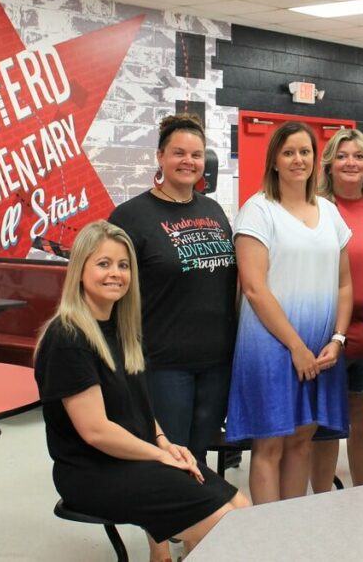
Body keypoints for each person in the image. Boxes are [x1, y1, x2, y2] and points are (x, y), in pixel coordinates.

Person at [34, 221, 248, 562]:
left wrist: (165, 442)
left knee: (241, 507)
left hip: (132, 458)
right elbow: (96, 431)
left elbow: (140, 408)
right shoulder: (68, 338)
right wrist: (159, 456)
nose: (115, 273)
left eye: (123, 265)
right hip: (92, 472)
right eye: (103, 264)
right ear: (80, 269)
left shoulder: (120, 329)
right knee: (225, 524)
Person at [228, 121, 352, 503]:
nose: (298, 160)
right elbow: (253, 287)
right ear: (275, 161)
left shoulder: (329, 212)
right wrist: (296, 347)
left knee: (302, 440)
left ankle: (293, 530)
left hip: (320, 348)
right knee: (270, 447)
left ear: (317, 160)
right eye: (288, 152)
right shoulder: (258, 210)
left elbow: (344, 283)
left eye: (305, 152)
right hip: (271, 345)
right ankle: (266, 541)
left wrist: (338, 338)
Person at [108, 114, 237, 464]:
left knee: (199, 452)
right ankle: (171, 520)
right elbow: (109, 289)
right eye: (179, 153)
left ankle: (199, 516)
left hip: (216, 360)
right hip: (162, 362)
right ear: (160, 157)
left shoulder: (214, 211)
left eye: (196, 155)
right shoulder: (130, 216)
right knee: (169, 454)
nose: (188, 162)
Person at [310, 129, 363, 491]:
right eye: (343, 155)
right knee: (324, 425)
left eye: (358, 156)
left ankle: (361, 495)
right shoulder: (313, 208)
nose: (351, 163)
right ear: (329, 164)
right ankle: (322, 498)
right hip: (325, 334)